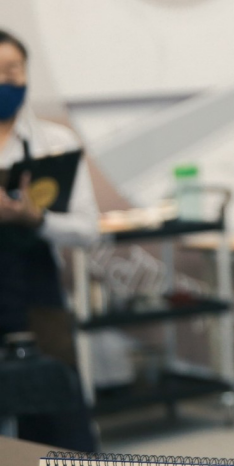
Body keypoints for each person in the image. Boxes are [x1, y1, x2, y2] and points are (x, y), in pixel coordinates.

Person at [0, 28, 100, 451]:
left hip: (41, 305)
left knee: (62, 437)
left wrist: (36, 218)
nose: (6, 81)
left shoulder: (54, 144)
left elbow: (88, 230)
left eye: (13, 69)